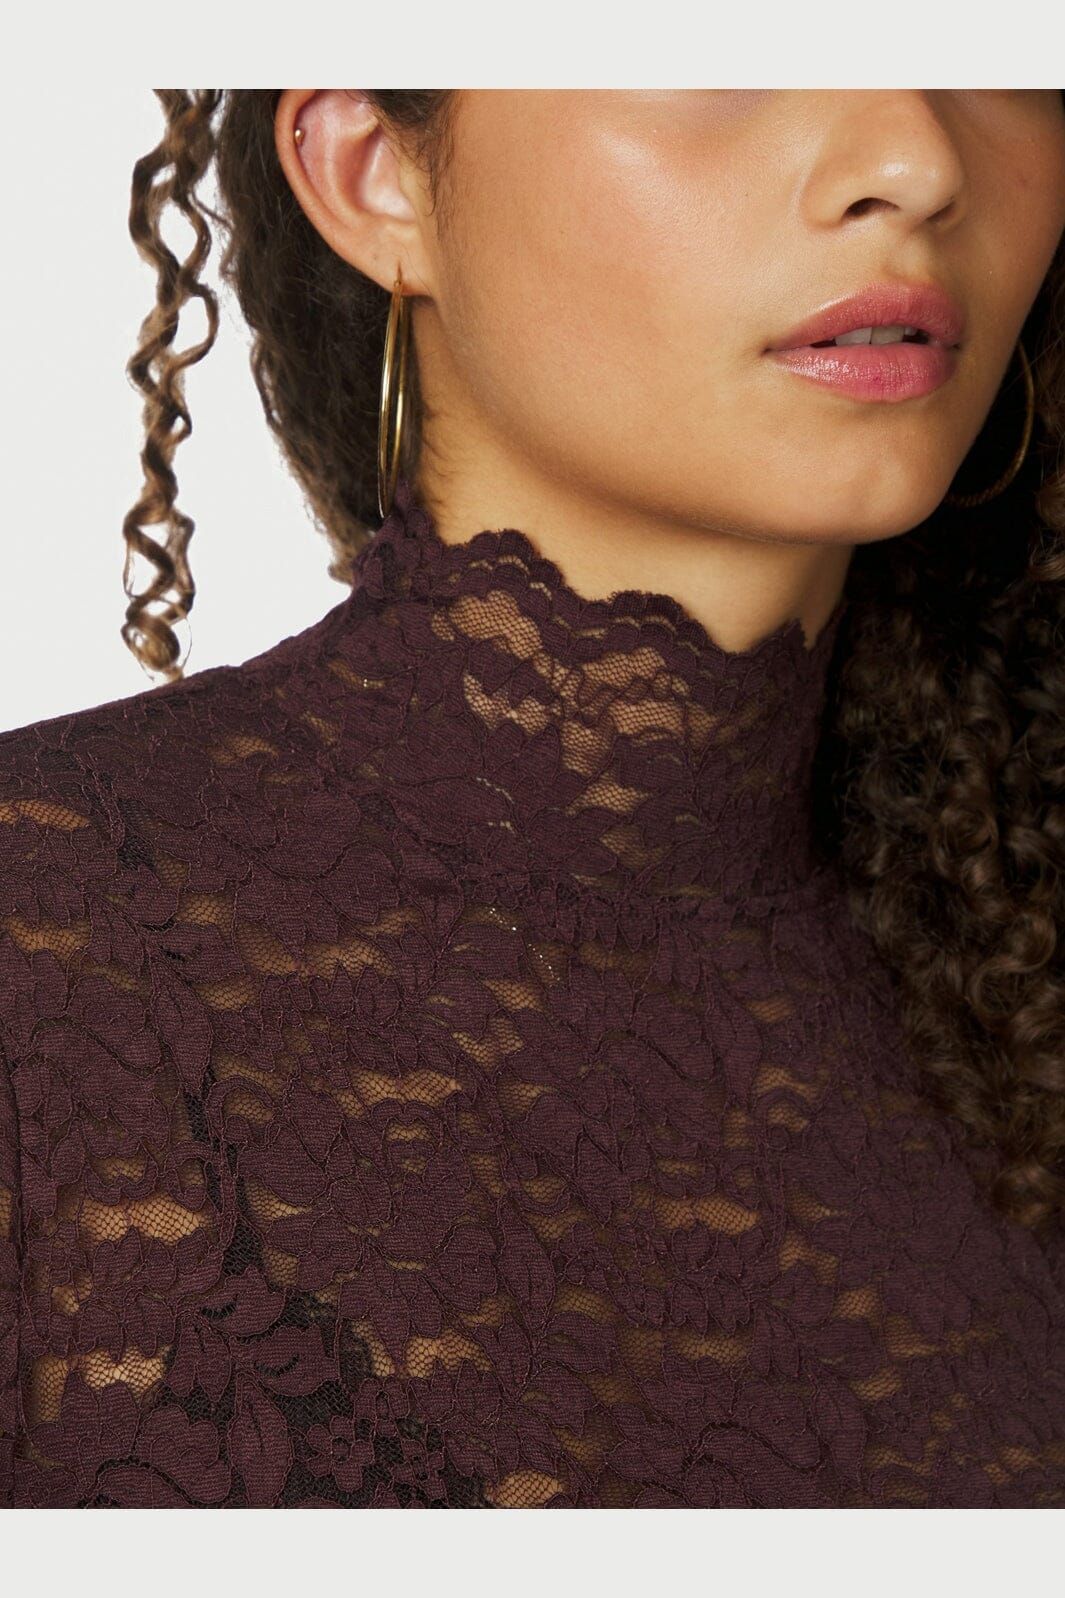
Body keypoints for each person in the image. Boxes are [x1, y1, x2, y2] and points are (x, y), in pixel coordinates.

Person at [1, 88, 1065, 1509]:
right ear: (374, 172)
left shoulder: (1016, 957)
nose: (919, 161)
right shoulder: (47, 957)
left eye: (994, 49)